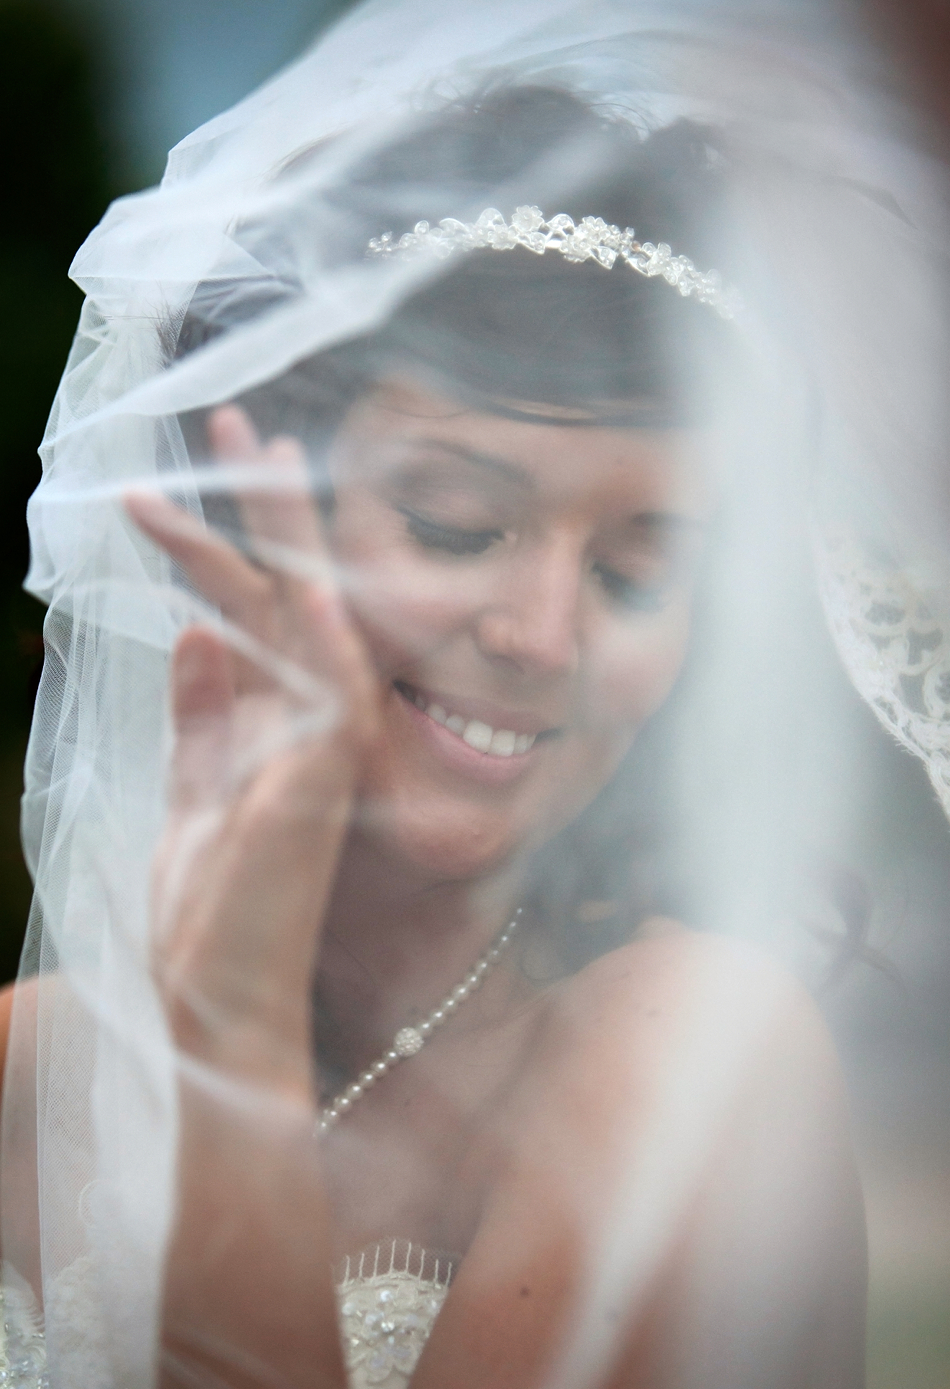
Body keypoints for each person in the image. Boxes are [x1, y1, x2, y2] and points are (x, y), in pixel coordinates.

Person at [3, 3, 949, 1386]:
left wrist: (234, 1021)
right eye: (455, 523)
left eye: (636, 571)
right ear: (245, 519)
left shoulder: (703, 1058)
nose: (543, 635)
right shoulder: (26, 1067)